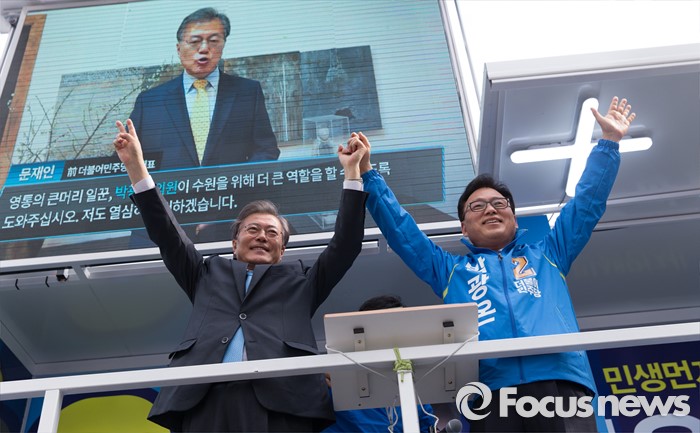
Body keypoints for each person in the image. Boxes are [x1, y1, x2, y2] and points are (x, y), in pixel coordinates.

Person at [346, 96, 637, 432]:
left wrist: (608, 143)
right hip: (489, 393)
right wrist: (367, 173)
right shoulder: (450, 271)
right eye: (477, 206)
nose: (490, 209)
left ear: (514, 218)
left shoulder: (550, 253)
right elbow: (402, 232)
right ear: (463, 228)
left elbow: (586, 204)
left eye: (499, 203)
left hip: (561, 382)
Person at [113, 118, 368, 432]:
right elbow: (167, 233)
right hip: (204, 400)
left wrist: (352, 174)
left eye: (272, 233)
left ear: (282, 250)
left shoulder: (302, 282)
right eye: (253, 229)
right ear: (234, 244)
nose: (262, 236)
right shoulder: (206, 273)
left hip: (282, 404)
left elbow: (346, 245)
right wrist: (136, 167)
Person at [129, 7, 279, 170]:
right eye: (195, 41)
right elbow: (128, 158)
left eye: (213, 41)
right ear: (179, 49)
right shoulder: (149, 101)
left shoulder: (247, 92)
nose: (204, 49)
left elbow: (266, 150)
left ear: (223, 45)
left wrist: (240, 181)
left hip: (230, 186)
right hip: (169, 187)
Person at [323, 295, 436, 433]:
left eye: (402, 329)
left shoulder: (413, 388)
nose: (395, 338)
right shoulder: (334, 382)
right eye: (388, 328)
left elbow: (427, 426)